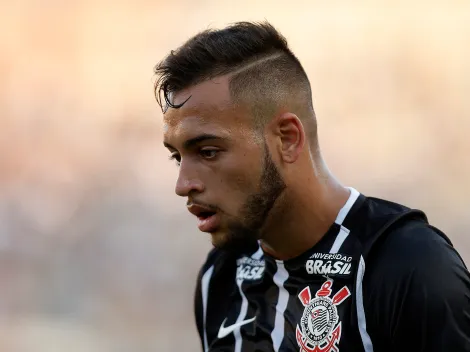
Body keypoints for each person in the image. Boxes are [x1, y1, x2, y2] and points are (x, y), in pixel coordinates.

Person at [154, 21, 470, 352]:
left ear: (287, 138)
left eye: (208, 151)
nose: (183, 184)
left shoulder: (407, 268)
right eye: (177, 157)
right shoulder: (220, 278)